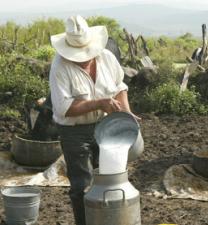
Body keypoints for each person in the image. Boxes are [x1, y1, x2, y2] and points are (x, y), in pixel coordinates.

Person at [49, 15, 139, 225]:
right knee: (82, 185)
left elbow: (119, 87)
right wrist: (98, 103)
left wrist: (126, 113)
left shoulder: (106, 57)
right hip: (74, 132)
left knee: (111, 179)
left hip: (105, 126)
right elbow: (64, 109)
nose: (83, 58)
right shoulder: (60, 67)